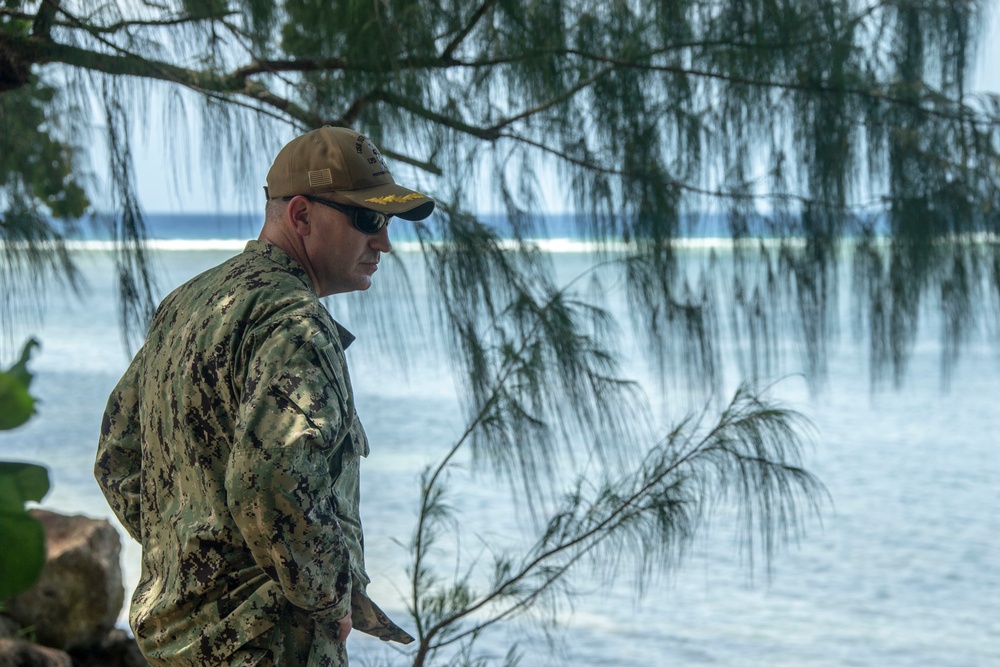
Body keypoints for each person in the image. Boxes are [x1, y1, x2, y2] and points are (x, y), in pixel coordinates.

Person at [95, 126, 434, 666]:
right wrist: (326, 596)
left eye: (388, 222)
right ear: (301, 216)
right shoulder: (295, 323)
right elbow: (272, 479)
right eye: (367, 220)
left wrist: (189, 557)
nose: (384, 242)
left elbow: (117, 456)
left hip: (174, 642)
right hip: (268, 645)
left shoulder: (188, 302)